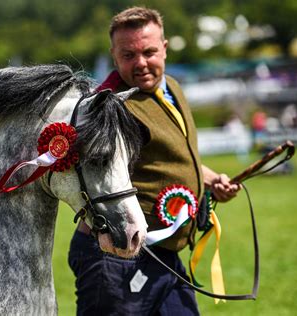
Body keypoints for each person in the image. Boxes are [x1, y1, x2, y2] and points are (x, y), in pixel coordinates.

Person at [68, 6, 241, 315]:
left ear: (165, 47)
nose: (141, 63)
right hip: (116, 254)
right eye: (128, 55)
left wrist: (210, 179)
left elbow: (170, 160)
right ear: (114, 55)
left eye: (149, 51)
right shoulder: (107, 106)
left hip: (166, 254)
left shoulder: (172, 87)